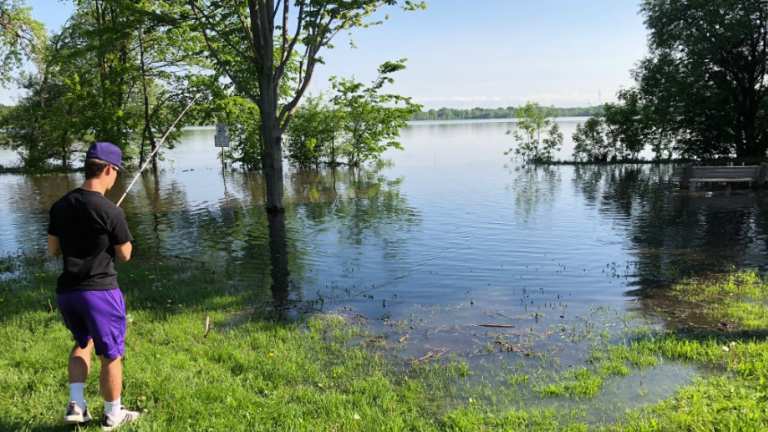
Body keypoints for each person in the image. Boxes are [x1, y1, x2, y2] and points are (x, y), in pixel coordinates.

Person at [47, 142, 141, 430]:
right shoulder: (110, 211)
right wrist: (112, 227)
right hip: (100, 293)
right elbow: (125, 254)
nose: (116, 178)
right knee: (111, 355)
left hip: (68, 293)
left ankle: (77, 404)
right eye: (117, 172)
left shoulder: (60, 206)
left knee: (82, 343)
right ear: (109, 169)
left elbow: (53, 250)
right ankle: (113, 414)